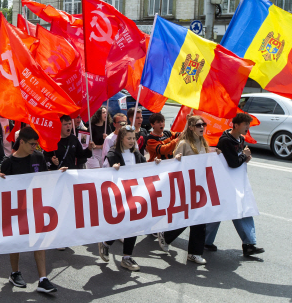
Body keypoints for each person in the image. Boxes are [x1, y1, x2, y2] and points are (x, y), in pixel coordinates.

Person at [0, 126, 64, 294]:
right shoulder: (9, 162)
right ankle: (15, 272)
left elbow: (44, 176)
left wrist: (57, 174)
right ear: (22, 142)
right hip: (16, 208)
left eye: (36, 144)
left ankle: (43, 279)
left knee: (39, 241)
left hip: (35, 205)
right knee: (15, 242)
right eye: (32, 144)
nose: (35, 147)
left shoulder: (38, 157)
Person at [102, 125, 162, 271]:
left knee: (133, 226)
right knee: (121, 225)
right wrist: (112, 169)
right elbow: (102, 175)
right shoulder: (112, 154)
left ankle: (126, 258)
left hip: (135, 195)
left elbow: (144, 168)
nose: (131, 141)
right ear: (121, 139)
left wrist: (156, 164)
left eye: (133, 138)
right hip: (119, 196)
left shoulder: (136, 154)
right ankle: (106, 243)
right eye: (128, 138)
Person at [208, 113, 265, 257]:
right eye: (245, 124)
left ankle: (249, 244)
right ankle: (204, 240)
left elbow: (239, 159)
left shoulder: (240, 139)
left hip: (235, 184)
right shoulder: (226, 141)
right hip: (224, 183)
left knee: (242, 209)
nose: (247, 127)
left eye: (248, 124)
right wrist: (244, 156)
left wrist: (245, 157)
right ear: (236, 125)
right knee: (219, 211)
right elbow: (232, 163)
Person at [157, 115, 211, 265]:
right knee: (189, 217)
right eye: (199, 125)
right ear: (191, 127)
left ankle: (193, 252)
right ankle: (167, 235)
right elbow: (174, 165)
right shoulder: (184, 144)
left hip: (200, 186)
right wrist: (178, 159)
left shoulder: (203, 143)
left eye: (203, 124)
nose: (202, 127)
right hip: (187, 186)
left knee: (199, 220)